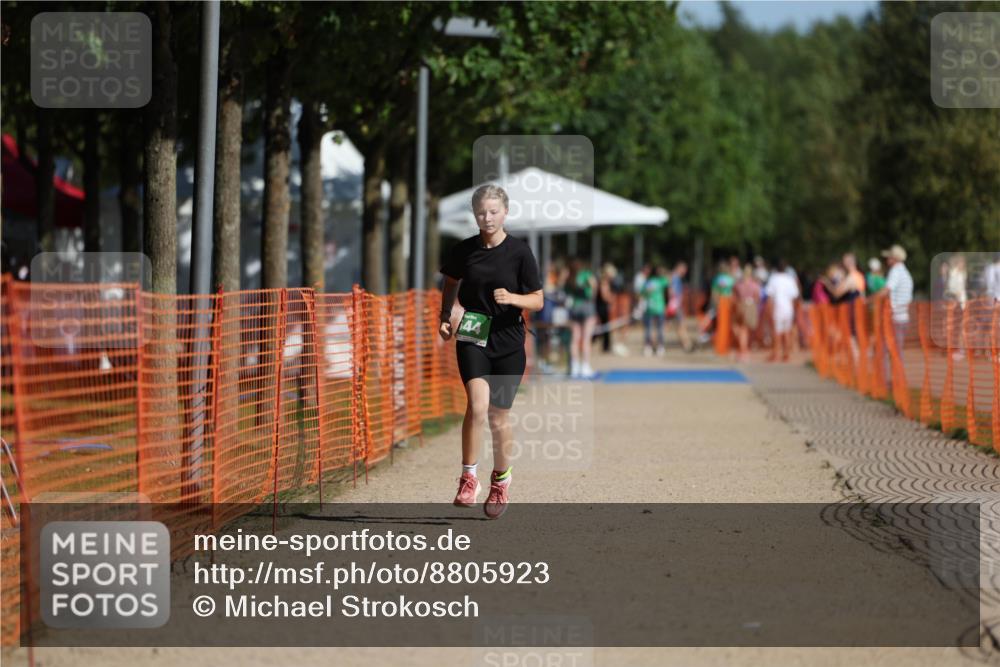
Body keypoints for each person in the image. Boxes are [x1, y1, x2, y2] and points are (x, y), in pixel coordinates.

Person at [439, 184, 544, 519]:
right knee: (477, 405)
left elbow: (538, 300)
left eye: (494, 211)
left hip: (509, 338)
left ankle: (501, 479)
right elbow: (451, 281)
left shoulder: (520, 253)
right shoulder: (464, 250)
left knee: (499, 416)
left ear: (505, 213)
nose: (488, 218)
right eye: (482, 212)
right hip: (473, 332)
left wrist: (513, 298)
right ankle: (468, 477)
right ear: (475, 214)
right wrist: (445, 315)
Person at [876, 244, 913, 387]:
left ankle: (887, 382)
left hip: (895, 318)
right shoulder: (906, 273)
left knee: (886, 350)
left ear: (895, 258)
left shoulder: (896, 271)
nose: (887, 260)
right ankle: (897, 380)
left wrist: (869, 300)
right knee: (897, 350)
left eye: (889, 257)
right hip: (903, 317)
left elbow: (886, 290)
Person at [565, 258, 598, 378]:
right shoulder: (586, 274)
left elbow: (565, 291)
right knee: (586, 338)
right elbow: (593, 285)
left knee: (575, 338)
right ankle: (585, 366)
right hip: (587, 306)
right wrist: (592, 297)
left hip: (574, 307)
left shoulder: (569, 277)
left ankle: (574, 366)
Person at [764, 258, 800, 362]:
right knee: (787, 331)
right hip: (788, 308)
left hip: (778, 308)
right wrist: (794, 310)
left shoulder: (773, 279)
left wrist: (769, 310)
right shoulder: (790, 279)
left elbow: (769, 296)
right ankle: (786, 354)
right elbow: (795, 296)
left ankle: (775, 354)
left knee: (777, 332)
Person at [733, 264, 761, 362]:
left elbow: (735, 296)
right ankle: (744, 351)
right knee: (745, 330)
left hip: (741, 305)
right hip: (751, 305)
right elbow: (757, 297)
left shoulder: (739, 284)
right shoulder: (755, 285)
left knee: (741, 329)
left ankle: (742, 350)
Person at [642, 265, 669, 356]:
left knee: (649, 329)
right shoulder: (661, 281)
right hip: (658, 308)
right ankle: (660, 347)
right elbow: (669, 280)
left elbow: (643, 293)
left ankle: (648, 347)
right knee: (659, 329)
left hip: (651, 307)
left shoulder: (648, 282)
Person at [667, 261, 693, 353]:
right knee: (681, 325)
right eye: (684, 269)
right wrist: (675, 302)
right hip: (676, 305)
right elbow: (671, 291)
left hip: (675, 305)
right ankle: (687, 344)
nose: (685, 271)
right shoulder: (675, 277)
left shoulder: (674, 277)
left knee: (678, 326)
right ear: (680, 268)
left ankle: (686, 344)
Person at [594, 263, 617, 354]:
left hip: (602, 307)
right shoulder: (604, 282)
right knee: (602, 328)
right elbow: (605, 296)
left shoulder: (604, 282)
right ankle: (605, 346)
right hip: (601, 308)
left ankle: (605, 346)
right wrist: (611, 298)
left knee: (604, 328)